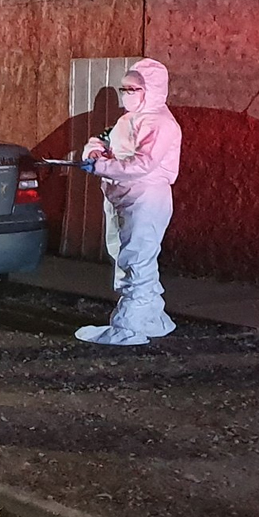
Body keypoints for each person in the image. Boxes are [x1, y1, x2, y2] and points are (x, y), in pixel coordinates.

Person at [76, 58, 183, 346]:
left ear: (151, 90)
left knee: (137, 258)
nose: (125, 94)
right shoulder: (127, 120)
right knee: (129, 257)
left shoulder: (161, 123)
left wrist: (101, 168)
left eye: (131, 88)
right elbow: (103, 139)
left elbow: (143, 163)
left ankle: (130, 325)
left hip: (146, 198)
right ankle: (150, 317)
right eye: (123, 88)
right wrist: (95, 152)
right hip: (122, 195)